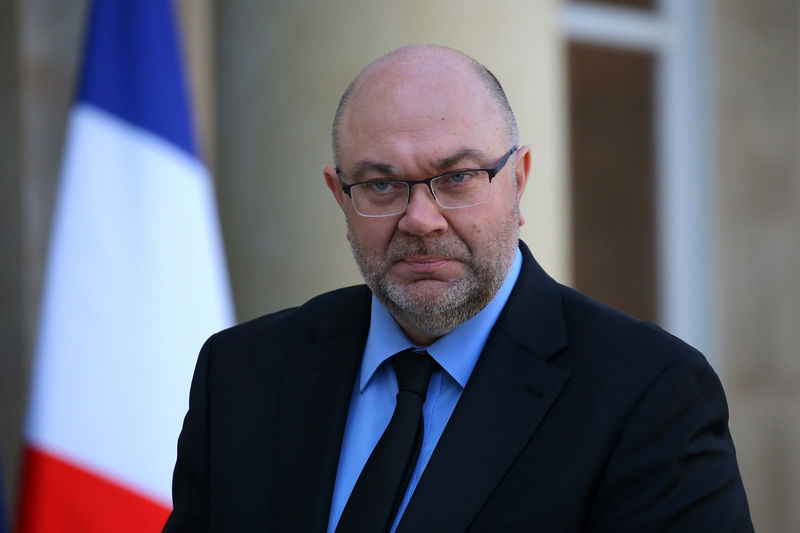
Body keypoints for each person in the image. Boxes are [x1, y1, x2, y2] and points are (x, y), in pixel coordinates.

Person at [163, 45, 753, 532]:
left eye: (458, 176)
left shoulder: (648, 394)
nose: (421, 219)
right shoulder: (242, 373)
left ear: (518, 181)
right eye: (380, 184)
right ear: (340, 197)